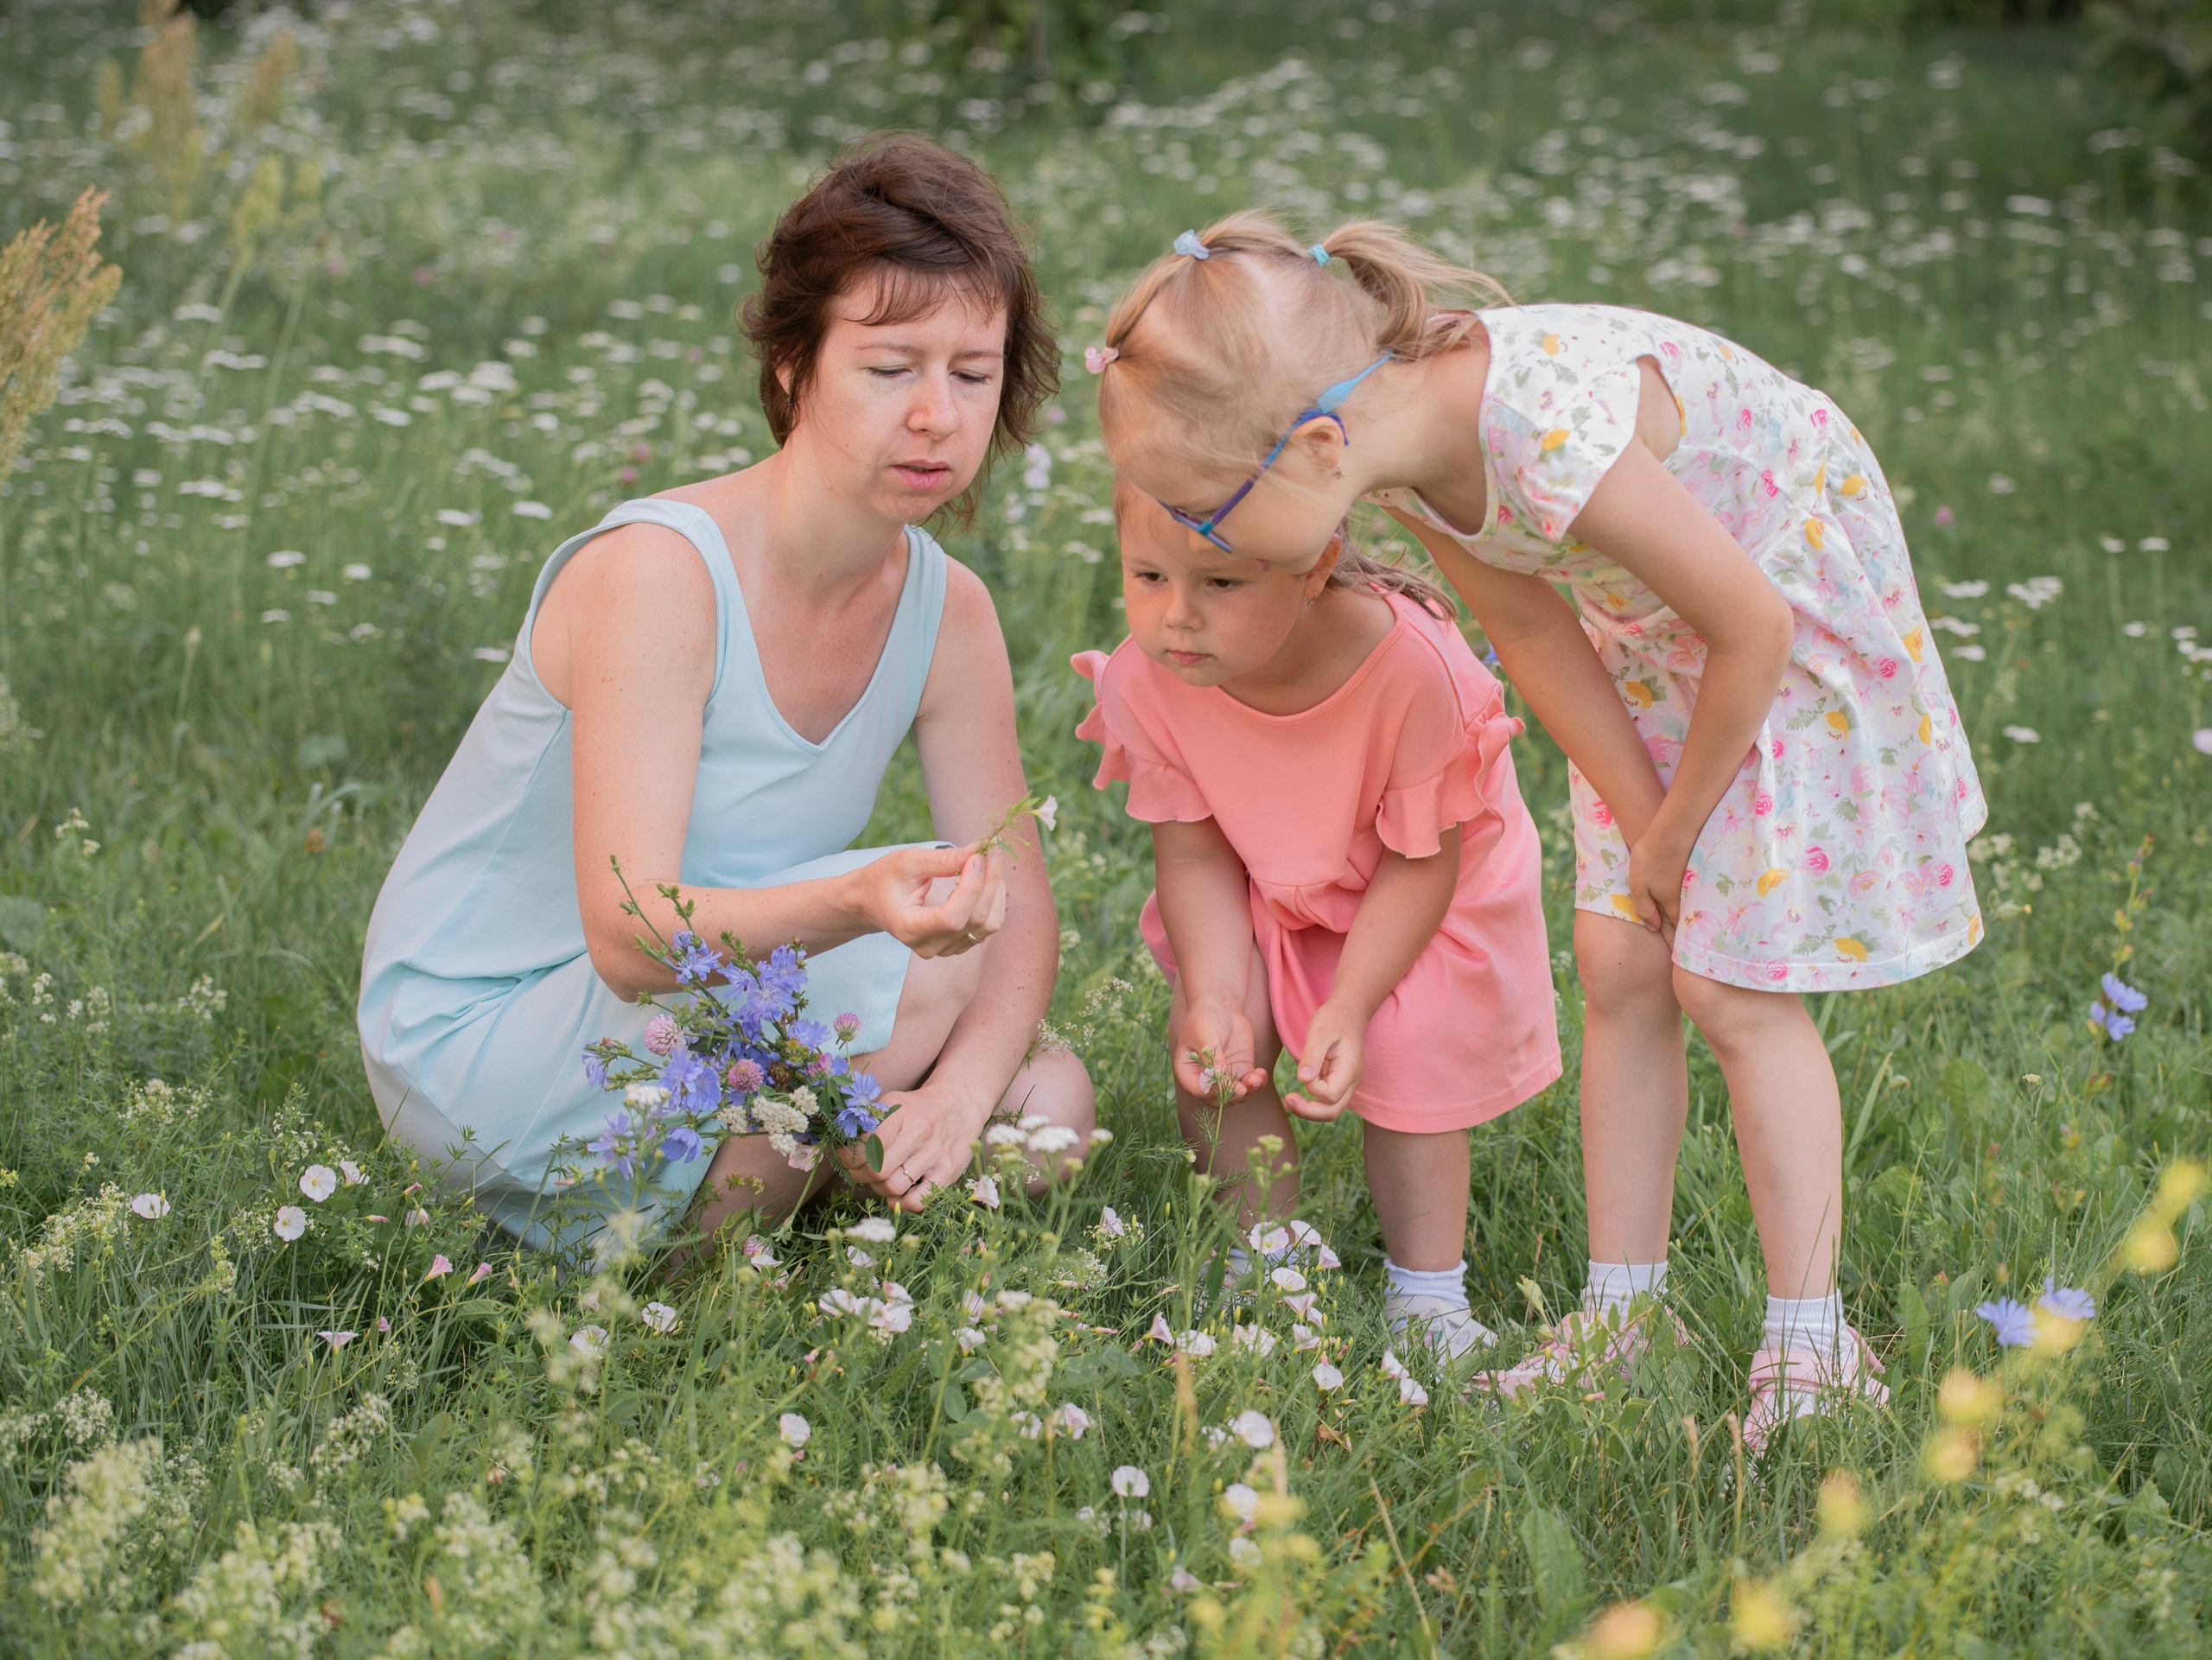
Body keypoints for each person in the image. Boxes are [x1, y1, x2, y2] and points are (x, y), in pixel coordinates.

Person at [1088, 213, 1984, 1447]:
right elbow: (1533, 634)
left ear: (1311, 446)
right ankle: (1624, 1322)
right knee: (1622, 958)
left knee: (1729, 988)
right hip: (1651, 636)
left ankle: (1812, 1339)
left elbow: (1753, 627)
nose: (1193, 540)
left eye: (1207, 512)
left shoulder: (1537, 428)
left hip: (1779, 613)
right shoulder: (1397, 459)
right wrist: (1637, 815)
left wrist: (1673, 842)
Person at [359, 136, 1093, 1253]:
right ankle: (726, 1202)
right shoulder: (660, 573)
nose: (938, 414)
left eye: (973, 372)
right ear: (795, 363)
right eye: (891, 367)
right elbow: (629, 934)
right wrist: (858, 900)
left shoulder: (954, 613)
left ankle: (766, 1179)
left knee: (1048, 1102)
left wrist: (953, 1100)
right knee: (947, 983)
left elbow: (1021, 905)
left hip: (706, 1012)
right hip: (490, 1037)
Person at [1073, 482, 1559, 1359]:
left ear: (1313, 568)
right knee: (1214, 1048)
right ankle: (1265, 1257)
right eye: (1147, 575)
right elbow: (1193, 857)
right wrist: (1217, 993)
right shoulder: (1153, 678)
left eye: (1220, 584)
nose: (1176, 617)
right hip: (1269, 873)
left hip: (1420, 886)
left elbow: (1421, 865)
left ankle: (1428, 1297)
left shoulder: (1410, 671)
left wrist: (1350, 1002)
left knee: (1408, 1052)